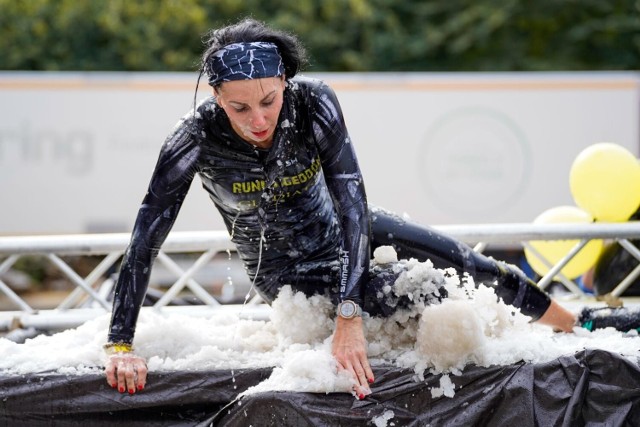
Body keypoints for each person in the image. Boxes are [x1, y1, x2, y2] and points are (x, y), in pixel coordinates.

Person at [103, 17, 588, 398]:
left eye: (269, 101)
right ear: (216, 97)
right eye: (240, 108)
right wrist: (120, 345)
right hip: (287, 271)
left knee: (471, 264)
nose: (259, 119)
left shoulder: (315, 102)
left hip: (347, 228)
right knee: (428, 293)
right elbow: (145, 241)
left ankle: (580, 328)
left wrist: (350, 317)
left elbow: (353, 204)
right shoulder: (192, 138)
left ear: (286, 81)